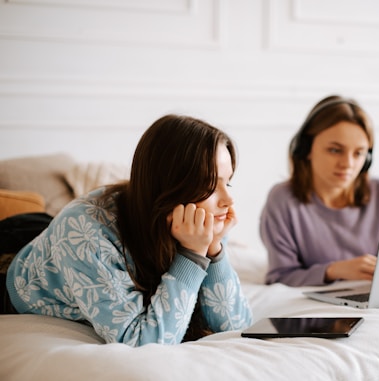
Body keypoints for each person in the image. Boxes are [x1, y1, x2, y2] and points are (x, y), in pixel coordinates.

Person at [6, 114, 252, 346]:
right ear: (171, 187)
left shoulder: (201, 220)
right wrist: (192, 254)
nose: (228, 200)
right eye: (210, 185)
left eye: (228, 181)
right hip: (17, 271)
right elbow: (143, 342)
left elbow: (235, 326)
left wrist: (213, 249)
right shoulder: (86, 235)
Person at [260, 95, 379, 287]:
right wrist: (333, 270)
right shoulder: (283, 200)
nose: (348, 164)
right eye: (335, 150)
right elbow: (280, 277)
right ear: (306, 149)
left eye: (358, 153)